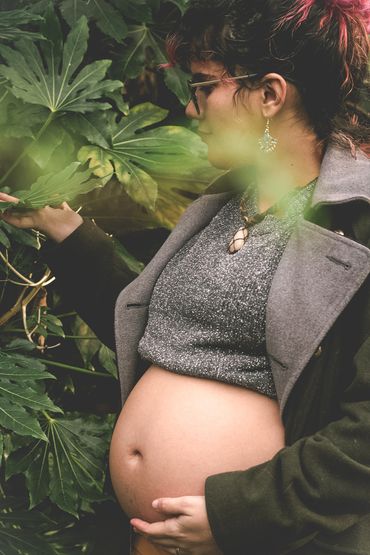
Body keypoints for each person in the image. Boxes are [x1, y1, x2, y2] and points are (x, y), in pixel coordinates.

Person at [0, 0, 370, 554]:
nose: (191, 109)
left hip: (270, 540)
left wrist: (235, 513)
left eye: (203, 86)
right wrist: (66, 232)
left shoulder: (357, 222)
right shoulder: (224, 203)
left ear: (270, 95)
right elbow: (156, 338)